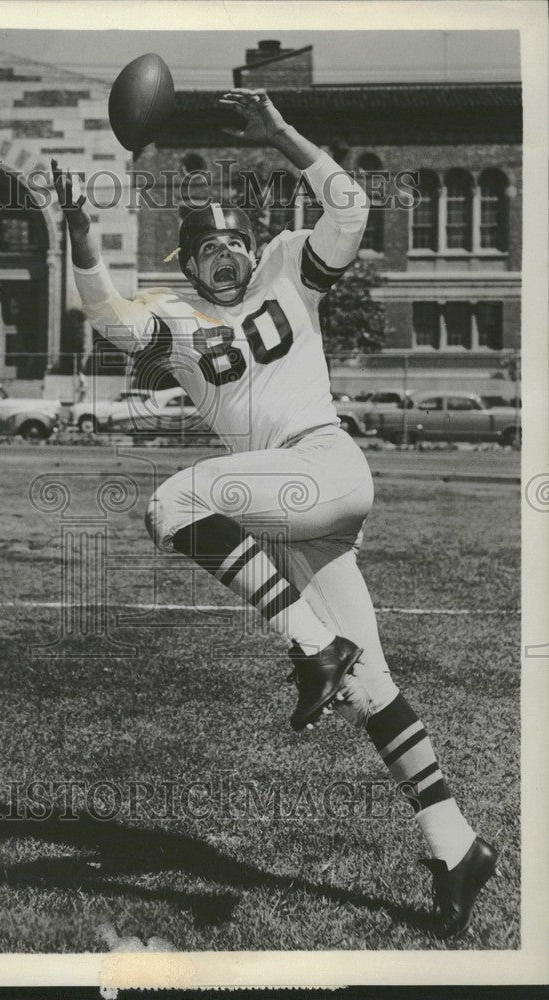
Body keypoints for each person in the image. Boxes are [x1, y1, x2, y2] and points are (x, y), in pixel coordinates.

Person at [51, 88, 498, 938]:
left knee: (172, 500)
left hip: (324, 465)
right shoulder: (178, 324)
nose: (228, 254)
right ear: (186, 263)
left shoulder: (292, 269)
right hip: (288, 517)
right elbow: (109, 320)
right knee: (372, 686)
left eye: (236, 241)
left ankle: (308, 645)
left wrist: (284, 135)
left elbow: (351, 203)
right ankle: (456, 845)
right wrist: (81, 239)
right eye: (210, 247)